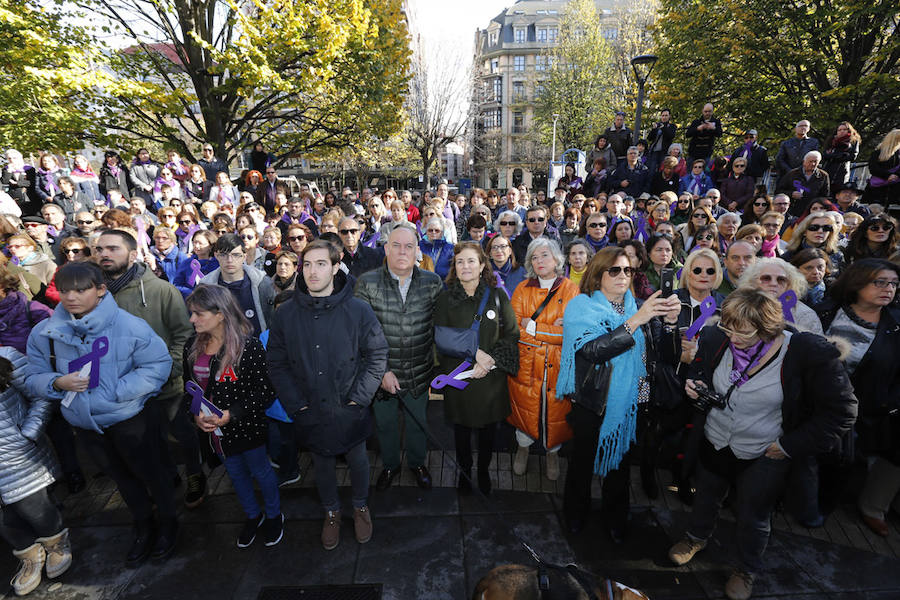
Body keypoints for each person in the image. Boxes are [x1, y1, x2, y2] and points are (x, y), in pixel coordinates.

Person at [668, 288, 856, 600]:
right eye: (728, 327)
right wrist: (695, 383)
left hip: (765, 452)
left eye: (742, 331)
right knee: (706, 496)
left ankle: (746, 569)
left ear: (769, 327)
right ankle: (695, 537)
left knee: (754, 515)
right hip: (715, 440)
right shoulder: (717, 337)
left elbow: (843, 411)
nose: (732, 337)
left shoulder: (805, 352)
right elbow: (699, 369)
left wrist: (789, 446)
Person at [25, 262, 176, 567]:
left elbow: (158, 365)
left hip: (130, 418)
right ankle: (143, 525)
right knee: (122, 478)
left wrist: (116, 392)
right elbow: (32, 377)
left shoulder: (129, 325)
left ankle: (169, 525)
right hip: (86, 425)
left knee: (152, 474)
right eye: (65, 290)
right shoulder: (45, 332)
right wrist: (57, 382)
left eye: (81, 289)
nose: (72, 297)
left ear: (100, 290)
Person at [268, 238, 387, 549]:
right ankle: (331, 511)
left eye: (321, 264)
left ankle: (360, 506)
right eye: (306, 264)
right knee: (321, 463)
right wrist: (297, 407)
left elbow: (376, 356)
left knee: (358, 459)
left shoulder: (359, 310)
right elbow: (277, 364)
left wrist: (358, 400)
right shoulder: (285, 314)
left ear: (336, 267)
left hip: (350, 406)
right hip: (309, 408)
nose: (312, 271)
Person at [559, 247, 681, 540]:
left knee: (621, 466)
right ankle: (576, 514)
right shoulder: (581, 306)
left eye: (628, 270)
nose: (623, 276)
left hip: (632, 401)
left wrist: (672, 323)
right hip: (592, 401)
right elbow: (591, 351)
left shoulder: (640, 306)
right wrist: (637, 319)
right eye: (614, 271)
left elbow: (667, 355)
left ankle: (616, 517)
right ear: (598, 274)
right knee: (582, 464)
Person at [96, 230, 202, 509]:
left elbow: (183, 334)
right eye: (100, 249)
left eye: (112, 249)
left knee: (182, 433)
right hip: (124, 390)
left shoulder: (160, 291)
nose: (104, 254)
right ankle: (168, 477)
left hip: (167, 385)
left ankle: (195, 473)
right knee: (151, 441)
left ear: (132, 255)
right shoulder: (95, 296)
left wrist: (170, 369)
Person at [183, 284, 282, 548]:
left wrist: (232, 413)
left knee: (261, 472)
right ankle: (253, 515)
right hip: (214, 432)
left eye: (198, 314)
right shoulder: (191, 348)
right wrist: (196, 416)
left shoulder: (247, 347)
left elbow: (266, 390)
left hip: (247, 426)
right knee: (235, 474)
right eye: (191, 313)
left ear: (221, 314)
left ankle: (274, 515)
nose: (192, 319)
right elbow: (189, 387)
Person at [354, 226, 443, 491]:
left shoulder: (432, 282)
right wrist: (381, 372)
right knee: (385, 424)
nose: (402, 251)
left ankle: (417, 463)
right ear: (386, 248)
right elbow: (361, 334)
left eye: (408, 246)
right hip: (382, 375)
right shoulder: (367, 283)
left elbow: (441, 326)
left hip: (419, 370)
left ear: (418, 251)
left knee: (418, 424)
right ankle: (391, 464)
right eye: (396, 245)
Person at [816, 259, 900, 537]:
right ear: (858, 282)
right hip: (816, 403)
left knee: (843, 464)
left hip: (864, 411)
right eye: (880, 282)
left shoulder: (896, 325)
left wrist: (887, 403)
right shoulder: (827, 312)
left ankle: (823, 508)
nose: (888, 289)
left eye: (893, 283)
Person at [433, 243, 518, 496]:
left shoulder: (497, 295)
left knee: (488, 431)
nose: (465, 266)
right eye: (460, 262)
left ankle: (483, 470)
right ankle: (464, 471)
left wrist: (490, 360)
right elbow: (441, 337)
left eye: (471, 261)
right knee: (460, 430)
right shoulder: (445, 298)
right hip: (459, 377)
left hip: (490, 379)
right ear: (454, 267)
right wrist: (476, 354)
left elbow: (512, 333)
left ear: (482, 266)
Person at [0, 347, 72, 596]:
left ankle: (56, 544)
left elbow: (40, 395)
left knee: (35, 510)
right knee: (5, 521)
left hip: (16, 458)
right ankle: (30, 556)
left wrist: (29, 434)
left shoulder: (6, 356)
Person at [508, 238, 580, 481]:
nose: (539, 261)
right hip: (527, 365)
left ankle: (552, 454)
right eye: (534, 257)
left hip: (557, 366)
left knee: (554, 414)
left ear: (557, 259)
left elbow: (572, 333)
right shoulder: (522, 289)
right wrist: (552, 329)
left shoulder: (570, 289)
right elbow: (513, 328)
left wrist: (535, 328)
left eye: (544, 255)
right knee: (526, 411)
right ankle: (523, 449)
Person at [199, 233, 275, 336]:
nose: (229, 260)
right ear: (216, 256)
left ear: (244, 256)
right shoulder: (205, 287)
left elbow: (272, 320)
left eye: (235, 255)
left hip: (258, 346)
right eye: (223, 255)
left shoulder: (262, 283)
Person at [738, 258, 823, 335]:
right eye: (766, 278)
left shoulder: (805, 315)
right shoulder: (739, 308)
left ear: (789, 284)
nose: (773, 283)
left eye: (781, 279)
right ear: (753, 282)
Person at [782, 212, 845, 277]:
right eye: (814, 227)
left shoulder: (837, 255)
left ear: (830, 233)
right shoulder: (789, 256)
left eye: (826, 228)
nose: (820, 231)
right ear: (804, 231)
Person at [777, 151, 830, 217]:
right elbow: (778, 191)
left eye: (815, 161)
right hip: (793, 211)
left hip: (813, 211)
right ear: (804, 161)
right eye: (810, 161)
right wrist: (791, 193)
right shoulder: (792, 174)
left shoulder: (823, 176)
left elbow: (825, 196)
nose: (813, 164)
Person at [863, 128, 900, 206]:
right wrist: (888, 175)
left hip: (895, 189)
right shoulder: (878, 153)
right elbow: (873, 168)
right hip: (878, 189)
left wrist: (896, 175)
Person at [486, 235, 525, 299]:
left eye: (503, 246)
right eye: (494, 247)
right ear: (490, 253)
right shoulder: (484, 274)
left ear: (510, 251)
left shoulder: (522, 274)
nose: (499, 250)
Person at [821, 122, 860, 186]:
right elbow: (824, 155)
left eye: (844, 129)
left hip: (841, 171)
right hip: (827, 169)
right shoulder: (831, 141)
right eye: (839, 130)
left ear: (849, 130)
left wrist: (833, 156)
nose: (842, 131)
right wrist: (840, 155)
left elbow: (852, 156)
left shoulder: (853, 141)